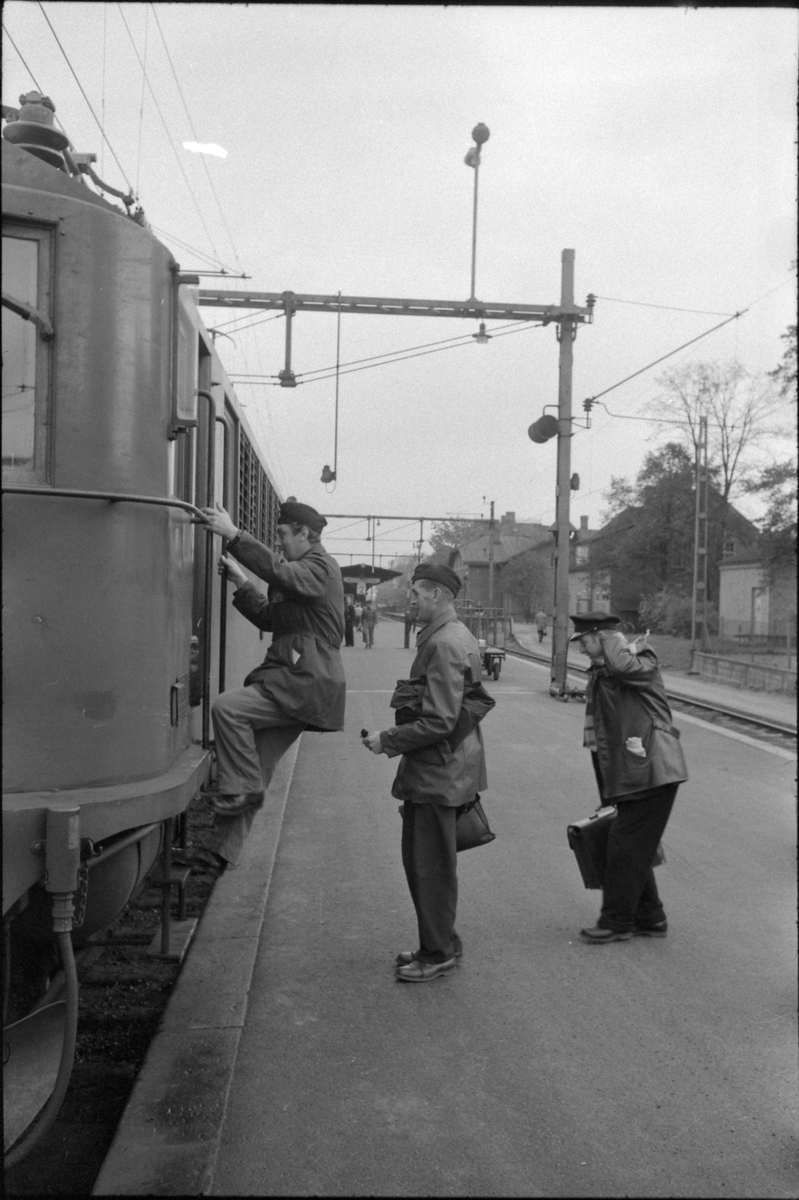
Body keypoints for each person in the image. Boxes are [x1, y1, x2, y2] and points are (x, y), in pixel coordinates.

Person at [193, 497, 345, 872]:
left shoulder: (320, 567)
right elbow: (269, 618)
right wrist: (242, 582)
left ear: (304, 533)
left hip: (304, 680)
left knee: (228, 709)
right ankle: (218, 851)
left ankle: (238, 792)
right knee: (257, 767)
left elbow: (282, 574)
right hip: (299, 681)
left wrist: (235, 535)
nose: (278, 542)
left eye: (282, 534)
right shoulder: (304, 573)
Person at [362, 563, 489, 982]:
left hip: (438, 771)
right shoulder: (455, 634)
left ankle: (437, 955)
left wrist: (387, 739)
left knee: (428, 866)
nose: (410, 598)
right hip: (447, 767)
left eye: (416, 592)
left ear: (436, 595)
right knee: (432, 862)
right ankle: (443, 940)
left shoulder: (443, 644)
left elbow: (439, 721)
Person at [570, 611, 688, 944]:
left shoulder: (640, 664)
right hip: (635, 771)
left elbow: (623, 666)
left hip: (654, 770)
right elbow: (603, 738)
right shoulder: (605, 671)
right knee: (632, 845)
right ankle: (651, 917)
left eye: (584, 641)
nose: (581, 649)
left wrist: (612, 639)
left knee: (624, 845)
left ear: (602, 637)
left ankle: (617, 921)